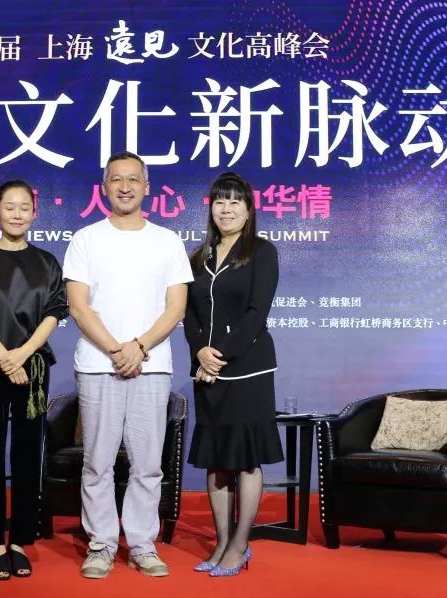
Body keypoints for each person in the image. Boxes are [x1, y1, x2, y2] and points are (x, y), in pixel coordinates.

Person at [63, 151, 194, 579]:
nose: (125, 186)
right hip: (97, 365)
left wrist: (138, 347)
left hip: (151, 366)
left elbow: (176, 308)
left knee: (148, 463)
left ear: (146, 187)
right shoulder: (86, 239)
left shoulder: (167, 241)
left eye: (133, 179)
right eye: (116, 179)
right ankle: (101, 544)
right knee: (97, 462)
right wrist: (116, 350)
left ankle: (141, 544)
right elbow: (78, 307)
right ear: (104, 187)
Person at [0, 179, 69, 580]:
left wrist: (22, 354)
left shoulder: (47, 262)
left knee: (27, 451)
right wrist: (5, 357)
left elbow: (55, 311)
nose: (17, 214)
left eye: (24, 207)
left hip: (32, 366)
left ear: (34, 214)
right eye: (9, 207)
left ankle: (20, 539)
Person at [183, 171, 283, 577]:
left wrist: (219, 355)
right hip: (207, 372)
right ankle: (221, 542)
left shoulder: (261, 251)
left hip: (247, 370)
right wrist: (200, 352)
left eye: (234, 201)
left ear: (248, 209)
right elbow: (188, 315)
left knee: (245, 460)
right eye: (220, 201)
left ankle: (240, 546)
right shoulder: (198, 257)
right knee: (216, 461)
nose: (226, 209)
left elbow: (257, 313)